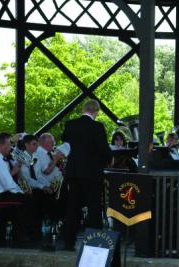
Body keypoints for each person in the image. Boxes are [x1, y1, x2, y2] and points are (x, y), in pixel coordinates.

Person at [61, 99, 112, 251]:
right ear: (96, 112)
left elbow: (65, 140)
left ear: (83, 109)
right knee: (94, 208)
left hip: (74, 173)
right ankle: (95, 243)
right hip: (92, 174)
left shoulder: (70, 124)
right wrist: (108, 159)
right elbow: (104, 149)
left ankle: (68, 242)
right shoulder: (98, 127)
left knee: (73, 208)